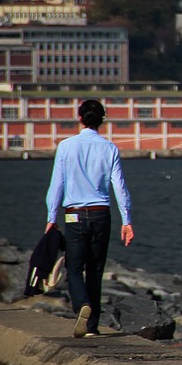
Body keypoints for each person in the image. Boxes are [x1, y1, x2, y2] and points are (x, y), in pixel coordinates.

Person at [45, 99, 133, 338]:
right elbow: (120, 188)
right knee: (95, 270)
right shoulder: (109, 148)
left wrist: (51, 217)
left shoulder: (66, 146)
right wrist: (127, 220)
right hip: (101, 214)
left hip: (74, 215)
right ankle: (92, 326)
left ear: (80, 118)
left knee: (74, 268)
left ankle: (81, 304)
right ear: (102, 121)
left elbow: (57, 185)